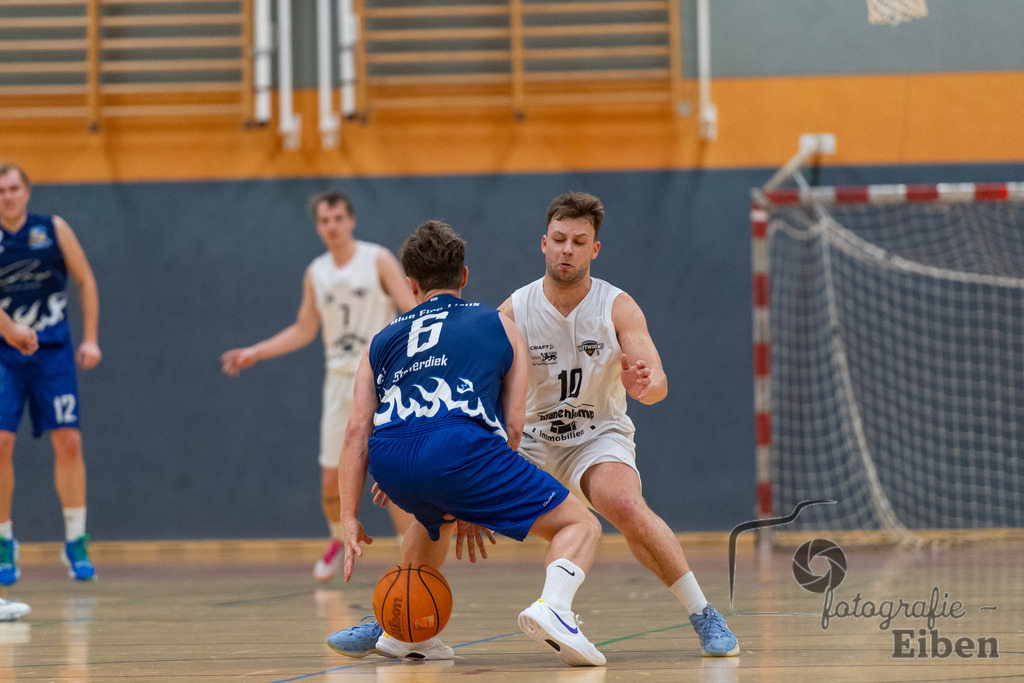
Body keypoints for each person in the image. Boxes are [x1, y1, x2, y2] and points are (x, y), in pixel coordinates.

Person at [329, 192, 740, 659]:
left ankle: (702, 612)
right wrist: (460, 482)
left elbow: (658, 380)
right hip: (527, 438)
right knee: (438, 508)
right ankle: (397, 616)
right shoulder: (512, 312)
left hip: (595, 433)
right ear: (544, 243)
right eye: (560, 239)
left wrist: (644, 385)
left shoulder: (617, 306)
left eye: (579, 241)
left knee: (623, 504)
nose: (568, 249)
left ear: (594, 249)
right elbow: (486, 403)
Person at [326, 220, 606, 666]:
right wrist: (478, 500)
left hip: (390, 459)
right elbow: (512, 426)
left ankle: (404, 634)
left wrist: (348, 514)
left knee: (435, 513)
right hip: (458, 451)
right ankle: (555, 608)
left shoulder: (380, 340)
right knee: (581, 525)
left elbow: (357, 431)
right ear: (465, 276)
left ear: (411, 284)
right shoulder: (499, 323)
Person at [221, 191, 417, 581]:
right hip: (339, 383)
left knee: (392, 475)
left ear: (351, 220)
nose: (332, 226)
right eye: (325, 221)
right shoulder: (316, 272)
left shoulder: (377, 259)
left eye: (338, 218)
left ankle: (409, 559)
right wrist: (256, 351)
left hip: (382, 381)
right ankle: (334, 539)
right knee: (331, 482)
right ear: (318, 227)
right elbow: (305, 328)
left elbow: (411, 311)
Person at [0, 163, 102, 585]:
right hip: (5, 354)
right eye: (0, 190)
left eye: (13, 188)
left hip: (52, 350)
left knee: (70, 441)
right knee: (1, 443)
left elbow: (86, 281)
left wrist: (90, 338)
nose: (7, 196)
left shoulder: (52, 229)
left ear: (27, 191)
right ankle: (5, 541)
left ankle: (75, 540)